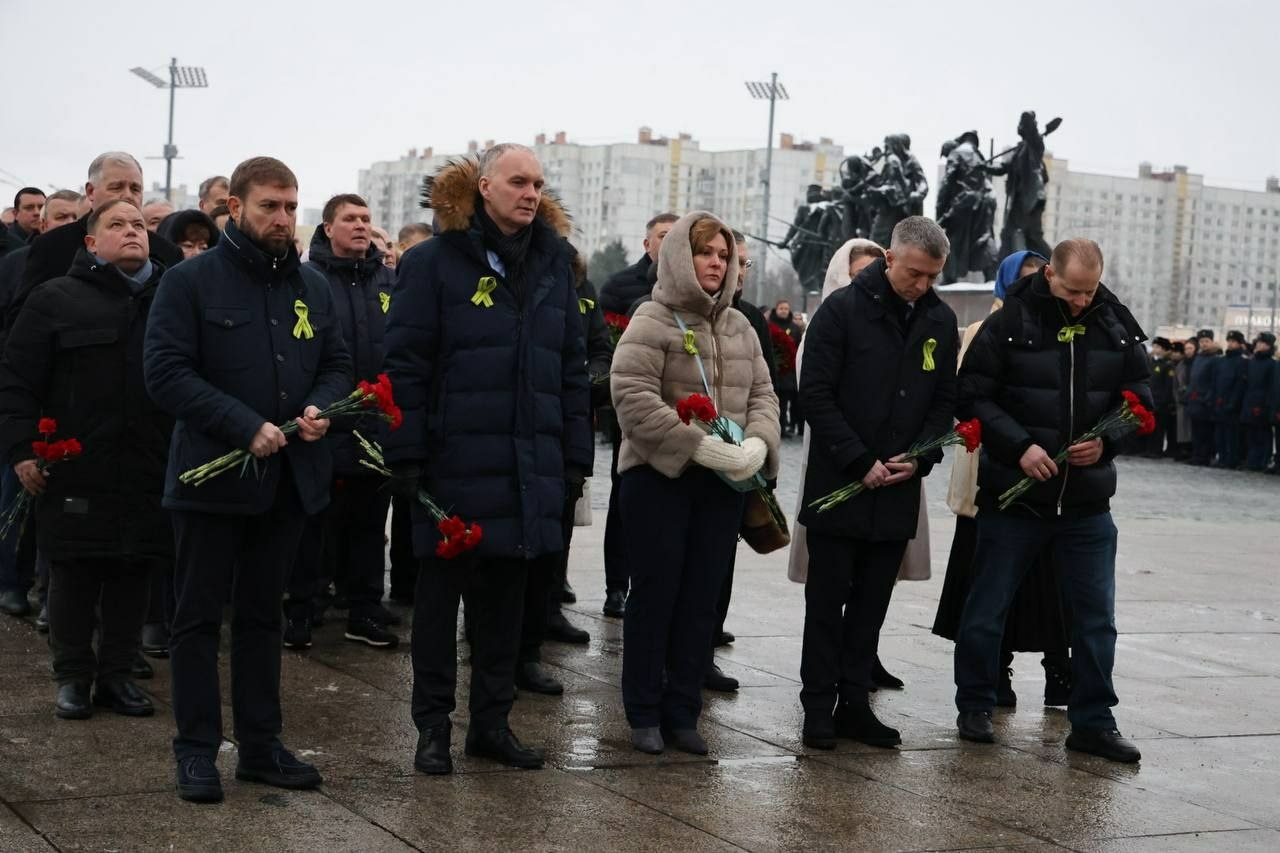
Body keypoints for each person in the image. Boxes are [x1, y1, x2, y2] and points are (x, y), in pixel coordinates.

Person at [144, 156, 353, 803]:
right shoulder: (190, 282)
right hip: (212, 483)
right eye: (269, 206)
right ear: (234, 207)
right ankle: (198, 750)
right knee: (198, 619)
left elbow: (339, 361)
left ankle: (261, 746)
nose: (283, 219)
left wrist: (321, 405)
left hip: (286, 482)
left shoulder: (311, 286)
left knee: (264, 618)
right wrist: (245, 425)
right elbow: (166, 372)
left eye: (291, 206)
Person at [383, 144, 591, 775]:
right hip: (451, 466)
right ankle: (432, 729)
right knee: (439, 608)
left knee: (506, 609)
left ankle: (491, 725)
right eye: (518, 181)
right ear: (483, 187)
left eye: (538, 184)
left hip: (529, 469)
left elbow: (572, 374)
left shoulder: (557, 265)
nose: (531, 193)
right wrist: (409, 453)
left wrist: (574, 462)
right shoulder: (432, 263)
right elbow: (405, 365)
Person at [954, 238, 1151, 763]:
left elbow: (1143, 401)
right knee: (987, 608)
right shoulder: (1010, 320)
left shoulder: (1115, 321)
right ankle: (974, 704)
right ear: (1050, 276)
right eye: (1071, 290)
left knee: (1095, 620)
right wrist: (1019, 447)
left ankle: (1093, 721)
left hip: (1086, 505)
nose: (1081, 301)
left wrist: (1108, 441)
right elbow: (972, 395)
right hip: (1014, 501)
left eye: (1089, 291)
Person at [611, 212, 779, 756]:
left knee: (702, 598)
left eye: (724, 255)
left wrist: (757, 444)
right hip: (661, 478)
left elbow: (764, 397)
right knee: (656, 594)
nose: (716, 263)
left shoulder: (740, 326)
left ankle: (683, 710)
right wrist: (694, 445)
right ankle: (642, 710)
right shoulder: (652, 318)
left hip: (722, 485)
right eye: (706, 252)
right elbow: (632, 396)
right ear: (682, 256)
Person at [0, 199, 171, 720]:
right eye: (116, 225)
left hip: (148, 464)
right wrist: (22, 450)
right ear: (91, 243)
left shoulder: (172, 298)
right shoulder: (54, 298)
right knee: (74, 573)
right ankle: (73, 677)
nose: (131, 233)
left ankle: (117, 674)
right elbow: (17, 380)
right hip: (75, 464)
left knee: (133, 570)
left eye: (138, 225)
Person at [797, 217, 957, 750]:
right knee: (826, 606)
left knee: (870, 609)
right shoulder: (841, 311)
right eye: (915, 274)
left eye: (933, 277)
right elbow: (815, 394)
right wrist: (857, 458)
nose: (923, 286)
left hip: (896, 489)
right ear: (891, 259)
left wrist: (923, 457)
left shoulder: (938, 319)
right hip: (840, 486)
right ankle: (818, 706)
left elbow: (943, 403)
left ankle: (855, 704)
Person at [933, 249, 1072, 709]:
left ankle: (1058, 671)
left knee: (1049, 584)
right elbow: (971, 399)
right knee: (990, 585)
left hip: (1051, 482)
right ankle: (995, 670)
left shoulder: (1064, 329)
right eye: (1025, 278)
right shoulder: (986, 328)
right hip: (992, 477)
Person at [281, 194, 398, 651]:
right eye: (349, 218)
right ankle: (301, 608)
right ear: (327, 228)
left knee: (370, 523)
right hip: (322, 419)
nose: (360, 226)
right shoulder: (307, 281)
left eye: (366, 218)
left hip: (375, 422)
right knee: (314, 520)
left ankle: (365, 608)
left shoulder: (388, 280)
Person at [517, 243, 612, 686]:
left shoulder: (581, 290)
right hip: (517, 426)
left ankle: (547, 613)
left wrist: (593, 376)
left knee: (557, 533)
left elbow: (595, 349)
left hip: (561, 426)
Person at [598, 212, 678, 618]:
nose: (668, 242)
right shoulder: (620, 287)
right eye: (662, 235)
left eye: (675, 235)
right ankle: (617, 585)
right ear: (647, 244)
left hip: (681, 417)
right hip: (631, 411)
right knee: (624, 499)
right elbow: (603, 344)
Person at [21, 152, 184, 301]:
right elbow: (25, 316)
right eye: (117, 187)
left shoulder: (166, 252)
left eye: (135, 189)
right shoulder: (52, 246)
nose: (127, 195)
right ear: (91, 192)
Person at [1212, 330, 1248, 469]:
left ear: (1240, 344)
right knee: (1219, 433)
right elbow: (1215, 381)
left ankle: (1231, 459)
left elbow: (1240, 384)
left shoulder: (1242, 362)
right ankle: (1222, 457)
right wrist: (1215, 398)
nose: (1231, 344)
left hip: (1232, 405)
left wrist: (1232, 402)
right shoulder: (1221, 361)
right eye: (1229, 341)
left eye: (1234, 342)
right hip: (1219, 402)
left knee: (1232, 434)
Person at [1241, 332, 1276, 472]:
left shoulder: (1272, 364)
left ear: (1269, 346)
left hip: (1262, 404)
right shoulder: (1252, 361)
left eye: (1264, 343)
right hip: (1250, 401)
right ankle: (1252, 460)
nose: (1260, 345)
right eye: (1259, 342)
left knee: (1263, 434)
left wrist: (1265, 405)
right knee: (1252, 434)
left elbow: (1271, 387)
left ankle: (1263, 460)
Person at [769, 300, 804, 437]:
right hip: (774, 370)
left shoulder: (794, 328)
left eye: (786, 308)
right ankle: (775, 428)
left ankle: (784, 427)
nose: (784, 311)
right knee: (774, 402)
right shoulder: (769, 325)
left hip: (789, 372)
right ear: (776, 309)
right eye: (781, 308)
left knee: (786, 402)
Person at [1186, 330, 1220, 466]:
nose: (1204, 344)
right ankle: (1196, 455)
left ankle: (1204, 457)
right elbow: (1193, 379)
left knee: (1205, 432)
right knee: (1196, 431)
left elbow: (1214, 381)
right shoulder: (1198, 357)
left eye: (1207, 341)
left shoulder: (1215, 359)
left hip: (1205, 402)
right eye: (1202, 342)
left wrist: (1207, 398)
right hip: (1194, 400)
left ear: (1212, 342)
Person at [1144, 337, 1175, 458]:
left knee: (1159, 428)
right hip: (1151, 400)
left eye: (1158, 347)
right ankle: (1149, 449)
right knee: (1150, 426)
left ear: (1164, 349)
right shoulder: (1151, 362)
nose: (1155, 349)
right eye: (1154, 346)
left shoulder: (1167, 364)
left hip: (1161, 402)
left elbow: (1168, 386)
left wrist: (1164, 401)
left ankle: (1157, 450)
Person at [1172, 339, 1195, 460]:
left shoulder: (1197, 363)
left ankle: (1191, 451)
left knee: (1191, 428)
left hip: (1193, 399)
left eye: (1190, 348)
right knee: (1182, 428)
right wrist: (1177, 397)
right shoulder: (1181, 365)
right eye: (1186, 349)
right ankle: (1182, 450)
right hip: (1181, 400)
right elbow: (1175, 384)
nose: (1188, 351)